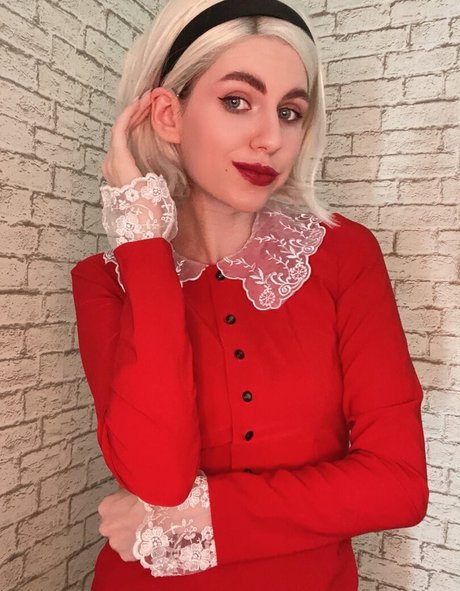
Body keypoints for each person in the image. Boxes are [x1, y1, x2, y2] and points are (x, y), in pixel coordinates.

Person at [70, 0, 429, 589]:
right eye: (238, 101)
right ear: (169, 114)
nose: (271, 139)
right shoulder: (108, 280)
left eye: (290, 112)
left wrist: (196, 519)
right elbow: (158, 480)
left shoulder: (345, 255)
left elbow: (399, 485)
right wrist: (142, 242)